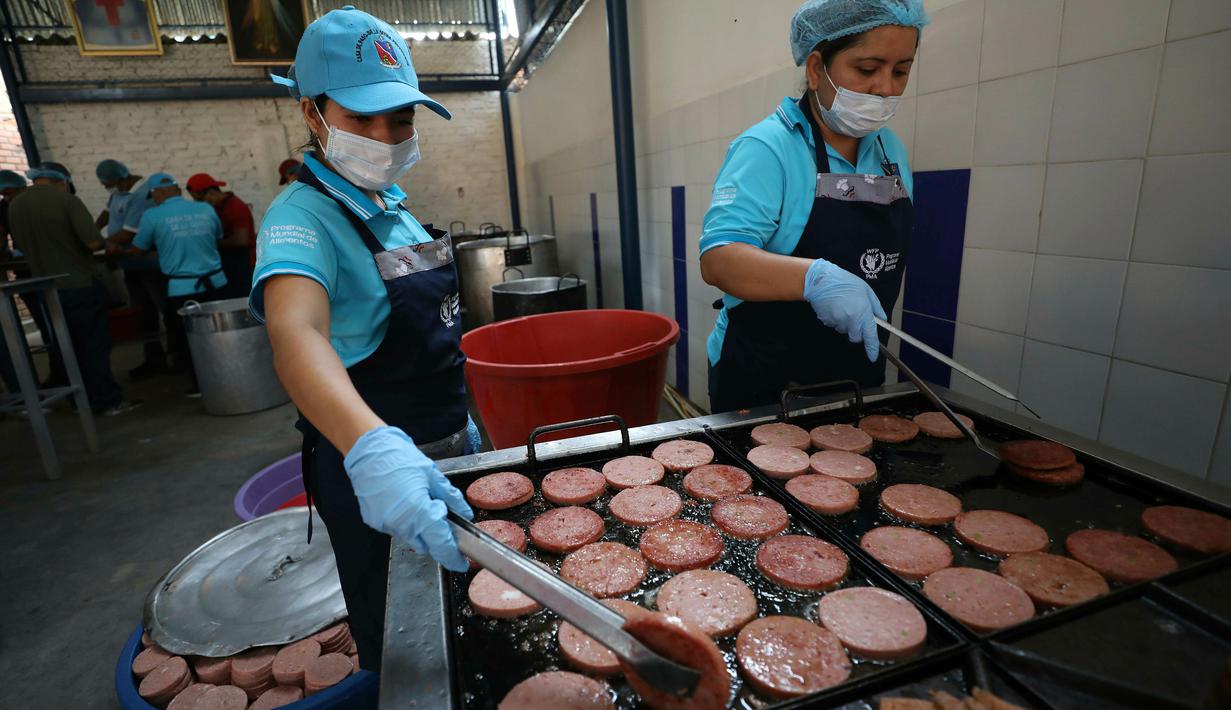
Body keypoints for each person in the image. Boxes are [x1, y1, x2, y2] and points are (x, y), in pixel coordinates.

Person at [254, 7, 481, 672]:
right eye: (361, 119)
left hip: (446, 447)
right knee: (404, 637)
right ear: (311, 114)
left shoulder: (394, 206)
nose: (385, 136)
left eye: (400, 119)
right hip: (374, 474)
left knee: (463, 620)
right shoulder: (300, 218)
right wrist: (374, 449)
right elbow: (296, 333)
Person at [700, 0, 926, 412]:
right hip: (764, 380)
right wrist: (815, 279)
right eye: (866, 69)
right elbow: (719, 260)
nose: (886, 88)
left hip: (855, 378)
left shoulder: (889, 150)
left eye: (900, 71)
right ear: (816, 68)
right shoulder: (768, 148)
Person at [7, 162, 139, 415]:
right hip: (79, 283)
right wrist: (107, 244)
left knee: (67, 347)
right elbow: (91, 242)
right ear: (62, 180)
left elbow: (22, 244)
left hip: (46, 288)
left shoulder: (16, 205)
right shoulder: (66, 200)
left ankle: (79, 400)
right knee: (93, 345)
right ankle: (107, 400)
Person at [129, 173, 227, 397]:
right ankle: (231, 376)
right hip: (217, 283)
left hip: (183, 290)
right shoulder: (205, 209)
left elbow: (139, 248)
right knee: (223, 334)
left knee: (189, 340)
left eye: (153, 195)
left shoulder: (152, 216)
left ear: (158, 193)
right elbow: (217, 236)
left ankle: (201, 385)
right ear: (178, 190)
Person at [97, 158, 167, 378]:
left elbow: (130, 233)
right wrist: (92, 230)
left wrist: (97, 245)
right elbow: (108, 212)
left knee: (165, 309)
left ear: (124, 178)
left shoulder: (142, 196)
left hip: (148, 264)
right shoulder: (121, 192)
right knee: (143, 313)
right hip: (131, 263)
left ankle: (179, 357)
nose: (109, 189)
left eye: (110, 183)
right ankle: (154, 359)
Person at [186, 173, 256, 298]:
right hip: (230, 261)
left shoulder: (235, 207)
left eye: (198, 199)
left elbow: (242, 240)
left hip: (243, 263)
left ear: (210, 193)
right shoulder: (217, 208)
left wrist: (211, 243)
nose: (198, 203)